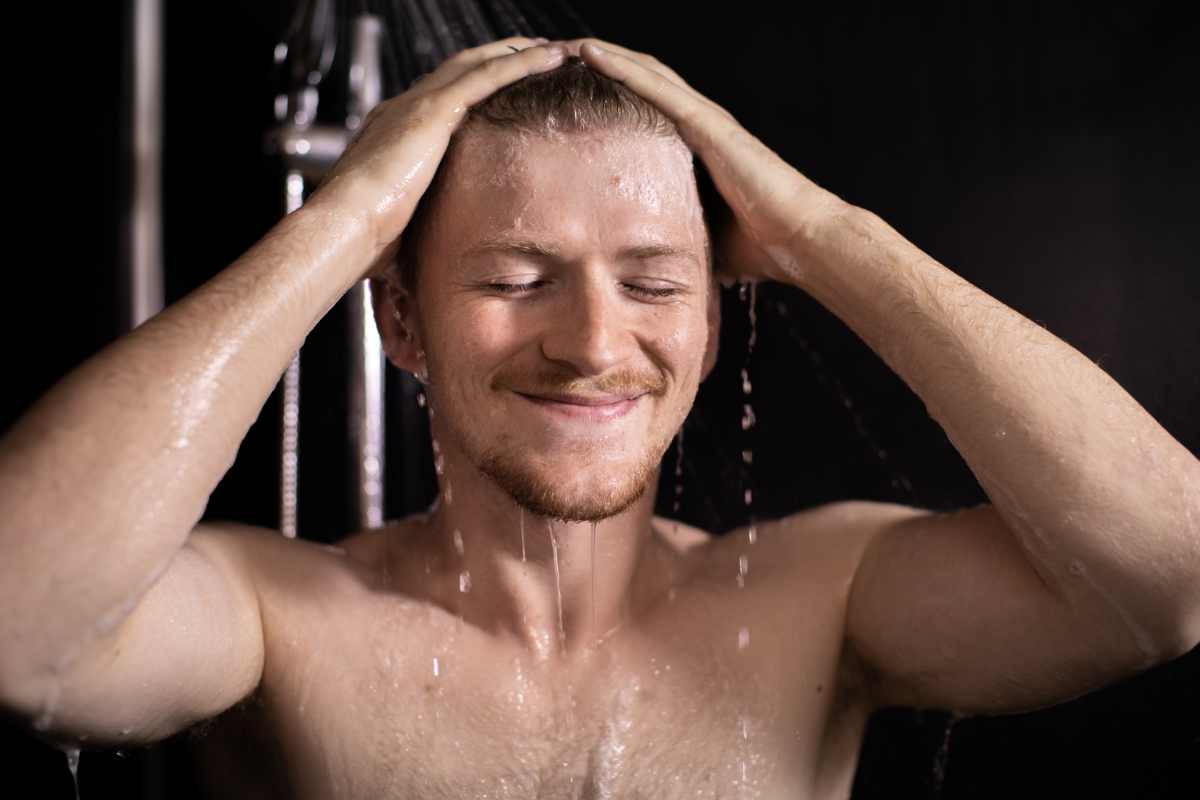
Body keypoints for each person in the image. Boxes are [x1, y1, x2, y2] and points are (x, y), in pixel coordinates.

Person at [1, 36, 1197, 798]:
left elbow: (1168, 573)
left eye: (654, 282)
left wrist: (822, 235)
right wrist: (344, 223)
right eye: (516, 278)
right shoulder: (279, 622)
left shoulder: (818, 602)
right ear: (402, 325)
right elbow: (18, 626)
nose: (589, 342)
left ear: (713, 322)